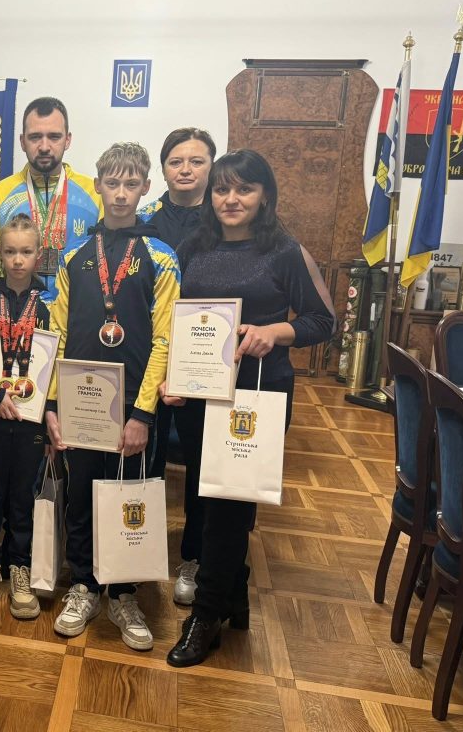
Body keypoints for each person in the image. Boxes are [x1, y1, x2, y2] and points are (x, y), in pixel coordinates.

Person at [164, 149, 335, 667]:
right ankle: (233, 595)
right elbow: (175, 316)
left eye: (244, 189)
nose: (231, 199)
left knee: (230, 503)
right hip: (200, 392)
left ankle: (206, 615)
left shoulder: (284, 251)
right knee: (208, 494)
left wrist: (274, 332)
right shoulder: (193, 247)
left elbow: (322, 320)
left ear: (265, 196)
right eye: (222, 189)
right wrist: (172, 374)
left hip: (256, 396)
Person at [45, 143, 180, 651]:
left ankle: (123, 594)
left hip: (133, 409)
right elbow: (58, 335)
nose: (121, 193)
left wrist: (143, 413)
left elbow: (164, 339)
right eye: (112, 183)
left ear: (145, 188)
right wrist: (52, 405)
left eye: (131, 184)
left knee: (129, 497)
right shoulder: (75, 257)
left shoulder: (161, 256)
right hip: (81, 402)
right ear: (97, 185)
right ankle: (83, 584)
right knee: (81, 494)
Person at [137, 127, 217, 606]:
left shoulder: (224, 221)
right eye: (176, 161)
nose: (185, 169)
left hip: (201, 360)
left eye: (196, 161)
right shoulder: (145, 220)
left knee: (199, 460)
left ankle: (193, 556)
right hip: (149, 357)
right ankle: (138, 548)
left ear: (211, 166)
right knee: (145, 459)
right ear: (163, 169)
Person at [0, 214, 52, 620]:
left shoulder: (52, 302)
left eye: (26, 251)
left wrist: (51, 412)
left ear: (39, 254)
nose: (18, 260)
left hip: (33, 418)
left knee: (23, 493)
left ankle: (19, 564)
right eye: (10, 251)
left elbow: (59, 360)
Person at [0, 96, 101, 298]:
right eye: (35, 137)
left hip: (76, 311)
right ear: (22, 141)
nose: (44, 146)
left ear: (68, 140)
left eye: (54, 137)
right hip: (15, 312)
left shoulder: (94, 193)